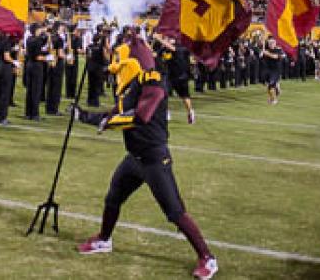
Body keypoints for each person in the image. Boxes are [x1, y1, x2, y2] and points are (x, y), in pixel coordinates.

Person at [73, 29, 218, 279]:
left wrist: (109, 123)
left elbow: (140, 117)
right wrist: (83, 115)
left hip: (154, 158)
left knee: (175, 212)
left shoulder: (154, 82)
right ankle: (104, 240)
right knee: (113, 197)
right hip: (135, 157)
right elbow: (114, 112)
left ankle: (208, 257)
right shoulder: (136, 83)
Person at [156, 33, 195, 124]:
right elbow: (155, 55)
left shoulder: (182, 47)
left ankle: (190, 112)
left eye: (169, 38)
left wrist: (159, 39)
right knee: (164, 94)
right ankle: (166, 113)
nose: (167, 39)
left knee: (185, 96)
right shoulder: (165, 49)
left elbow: (173, 49)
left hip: (181, 76)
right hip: (169, 76)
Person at [0, 32, 20, 125]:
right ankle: (2, 117)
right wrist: (15, 62)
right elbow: (6, 57)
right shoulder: (6, 41)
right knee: (5, 94)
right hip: (5, 68)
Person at [25, 24, 49, 121]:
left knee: (30, 90)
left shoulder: (29, 39)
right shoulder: (37, 40)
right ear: (36, 30)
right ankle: (35, 114)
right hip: (36, 66)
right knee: (36, 90)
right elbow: (38, 56)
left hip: (29, 65)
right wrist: (47, 58)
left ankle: (28, 113)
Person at [262, 36, 284, 105]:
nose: (271, 44)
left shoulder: (278, 50)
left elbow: (275, 57)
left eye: (272, 43)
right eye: (269, 43)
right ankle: (273, 96)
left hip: (275, 71)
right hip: (268, 70)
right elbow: (262, 58)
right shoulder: (267, 50)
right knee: (268, 87)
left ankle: (274, 100)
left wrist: (267, 53)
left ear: (275, 44)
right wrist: (263, 53)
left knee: (271, 85)